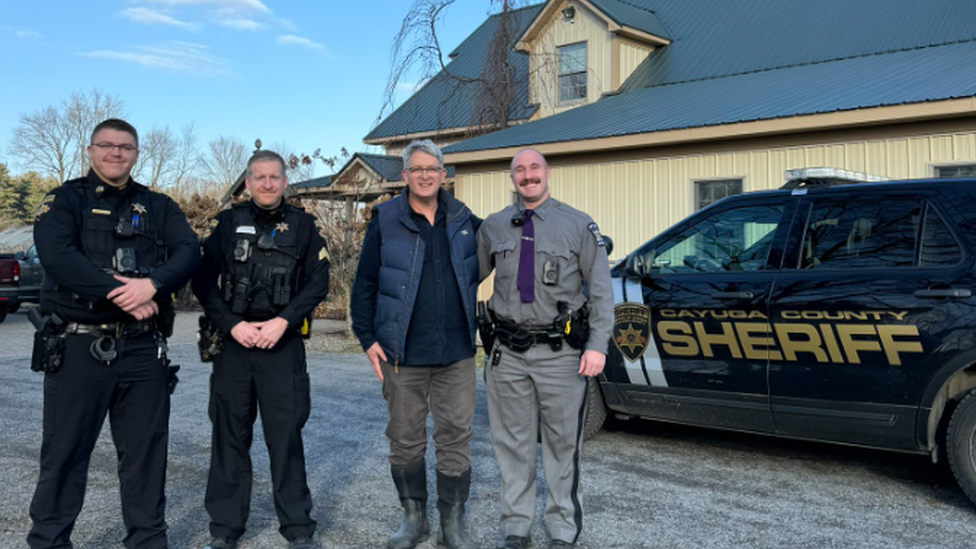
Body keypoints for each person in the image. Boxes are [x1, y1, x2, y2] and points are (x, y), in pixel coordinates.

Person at [27, 118, 200, 549]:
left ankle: (147, 540)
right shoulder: (65, 200)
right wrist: (121, 293)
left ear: (136, 153)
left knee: (146, 455)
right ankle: (48, 541)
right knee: (64, 454)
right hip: (77, 347)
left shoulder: (158, 206)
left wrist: (153, 286)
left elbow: (189, 251)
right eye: (106, 145)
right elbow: (58, 256)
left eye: (125, 147)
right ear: (90, 150)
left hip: (143, 350)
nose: (116, 153)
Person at [192, 150, 330, 549]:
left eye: (274, 177)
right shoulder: (225, 224)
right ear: (247, 183)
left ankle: (299, 529)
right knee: (229, 437)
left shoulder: (304, 226)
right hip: (234, 345)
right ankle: (225, 531)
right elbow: (201, 282)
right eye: (259, 177)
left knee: (285, 437)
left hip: (281, 343)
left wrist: (283, 321)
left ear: (285, 181)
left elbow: (317, 283)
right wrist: (230, 325)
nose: (267, 184)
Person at [476, 148, 613, 549]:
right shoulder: (495, 226)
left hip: (561, 354)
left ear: (547, 174)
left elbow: (602, 292)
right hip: (507, 353)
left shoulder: (577, 225)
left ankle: (562, 530)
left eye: (534, 168)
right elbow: (465, 275)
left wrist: (598, 345)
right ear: (513, 178)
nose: (527, 175)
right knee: (511, 443)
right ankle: (517, 528)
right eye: (520, 170)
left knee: (561, 445)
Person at [350, 139, 481, 549]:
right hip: (401, 353)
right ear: (404, 175)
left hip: (456, 352)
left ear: (444, 174)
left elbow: (503, 257)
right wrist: (367, 338)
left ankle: (452, 527)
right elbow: (365, 283)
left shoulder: (463, 219)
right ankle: (414, 521)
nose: (425, 175)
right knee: (405, 438)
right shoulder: (385, 219)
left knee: (455, 436)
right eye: (417, 168)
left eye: (433, 168)